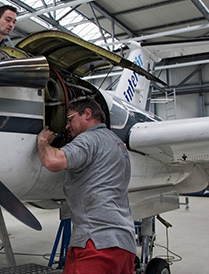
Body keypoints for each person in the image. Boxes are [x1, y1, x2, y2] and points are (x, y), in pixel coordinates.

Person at [36, 98, 136, 274]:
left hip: (98, 244)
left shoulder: (90, 139)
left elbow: (52, 161)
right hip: (123, 243)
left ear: (87, 114)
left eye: (70, 119)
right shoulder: (117, 143)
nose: (67, 126)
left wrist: (43, 141)